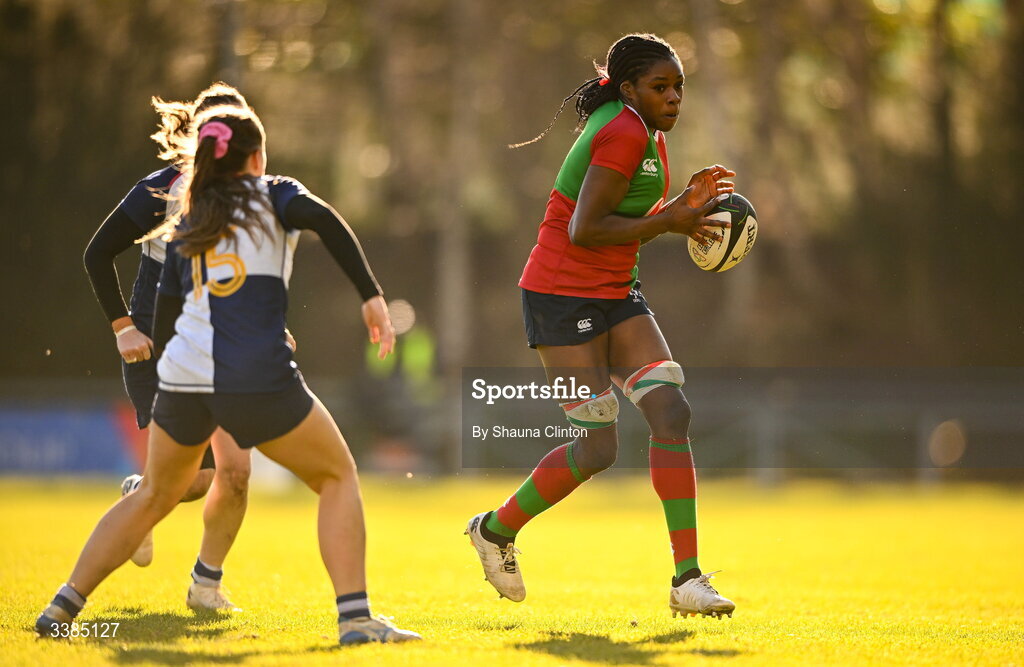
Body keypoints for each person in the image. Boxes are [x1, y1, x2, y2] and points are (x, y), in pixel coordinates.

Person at [39, 105, 420, 644]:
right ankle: (356, 619)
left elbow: (169, 314)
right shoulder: (276, 193)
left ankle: (61, 609)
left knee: (154, 494)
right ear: (257, 156)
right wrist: (371, 296)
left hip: (183, 378)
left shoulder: (187, 218)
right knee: (337, 477)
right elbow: (327, 221)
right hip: (255, 378)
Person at [466, 33, 737, 619]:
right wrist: (671, 221)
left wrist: (680, 208)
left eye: (679, 86)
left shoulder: (645, 130)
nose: (674, 97)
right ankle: (493, 529)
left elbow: (630, 211)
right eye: (660, 87)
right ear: (630, 88)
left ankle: (687, 580)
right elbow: (583, 230)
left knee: (672, 412)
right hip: (561, 296)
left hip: (615, 292)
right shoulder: (623, 131)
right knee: (598, 448)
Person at [83, 83, 255, 611]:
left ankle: (203, 581)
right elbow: (97, 254)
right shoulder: (161, 190)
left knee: (214, 478)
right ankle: (69, 602)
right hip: (154, 346)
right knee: (181, 478)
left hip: (212, 349)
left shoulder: (247, 194)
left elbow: (243, 274)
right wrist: (122, 327)